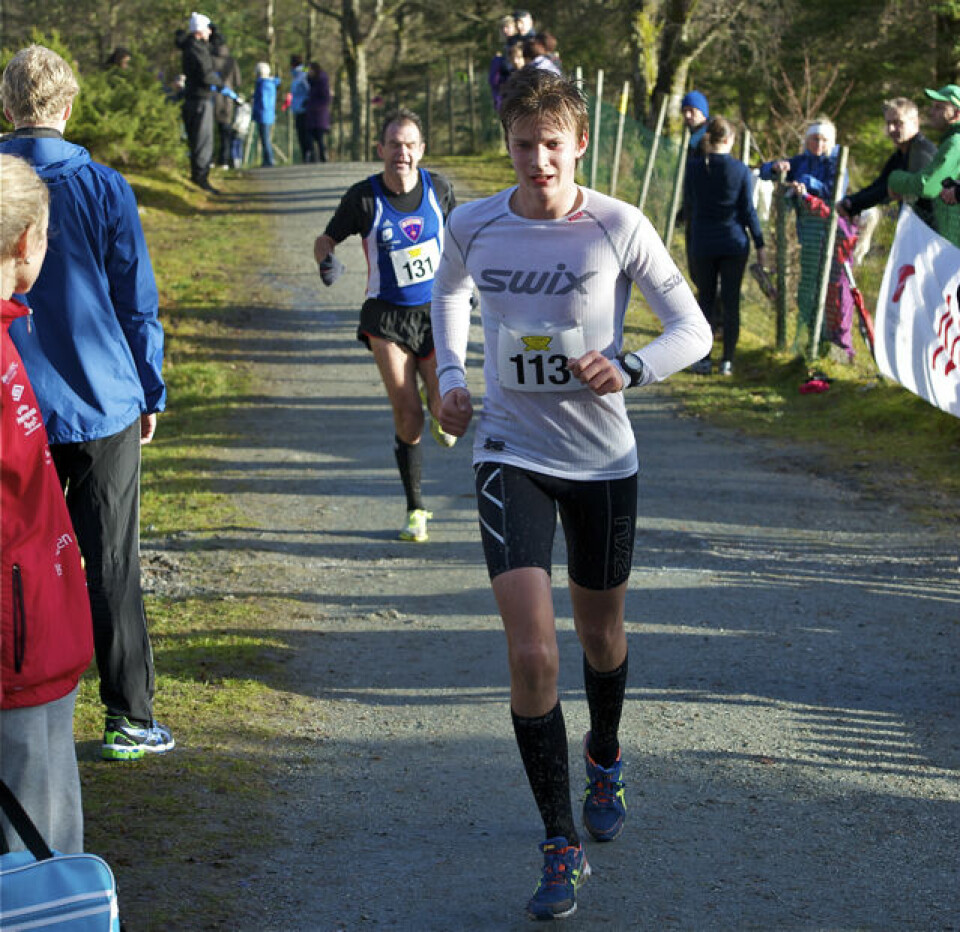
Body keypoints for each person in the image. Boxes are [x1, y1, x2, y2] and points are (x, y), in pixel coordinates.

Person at [429, 68, 711, 920]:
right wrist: (450, 377)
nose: (538, 161)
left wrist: (630, 366)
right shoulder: (473, 223)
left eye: (552, 145)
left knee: (600, 634)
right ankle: (560, 841)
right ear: (507, 144)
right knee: (533, 654)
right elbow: (448, 290)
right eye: (523, 145)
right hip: (508, 451)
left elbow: (692, 330)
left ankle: (606, 754)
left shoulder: (617, 224)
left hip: (602, 460)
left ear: (580, 143)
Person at [0, 45, 174, 762]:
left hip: (14, 395)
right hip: (102, 398)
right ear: (69, 107)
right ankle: (129, 715)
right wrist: (150, 386)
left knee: (14, 559)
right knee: (109, 562)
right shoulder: (105, 186)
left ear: (7, 106)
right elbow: (136, 299)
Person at [1, 153, 93, 854]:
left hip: (40, 637)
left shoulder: (8, 333)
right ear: (27, 240)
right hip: (16, 652)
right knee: (35, 863)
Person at [313, 108, 458, 543]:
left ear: (422, 150)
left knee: (445, 411)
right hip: (386, 318)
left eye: (410, 144)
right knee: (408, 414)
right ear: (381, 149)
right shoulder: (364, 198)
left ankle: (438, 407)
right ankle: (416, 509)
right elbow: (326, 238)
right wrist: (326, 260)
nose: (402, 153)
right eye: (394, 144)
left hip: (435, 313)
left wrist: (470, 285)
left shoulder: (439, 189)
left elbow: (463, 238)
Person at [684, 116, 766, 376]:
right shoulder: (740, 170)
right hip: (733, 242)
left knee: (705, 301)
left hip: (703, 242)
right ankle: (727, 360)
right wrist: (760, 243)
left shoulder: (694, 168)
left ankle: (703, 358)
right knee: (731, 303)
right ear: (730, 140)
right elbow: (748, 211)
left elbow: (689, 204)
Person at [760, 119, 844, 345]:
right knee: (807, 287)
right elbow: (765, 171)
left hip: (828, 233)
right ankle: (809, 336)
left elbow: (836, 191)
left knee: (826, 287)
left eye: (824, 140)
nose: (819, 144)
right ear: (807, 140)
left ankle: (825, 340)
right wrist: (777, 167)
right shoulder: (801, 161)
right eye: (814, 139)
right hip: (805, 234)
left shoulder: (836, 163)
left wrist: (808, 184)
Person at [838, 97, 936, 228]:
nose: (891, 129)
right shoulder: (901, 154)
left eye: (897, 123)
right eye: (888, 123)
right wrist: (851, 202)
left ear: (915, 122)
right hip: (917, 227)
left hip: (932, 231)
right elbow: (880, 184)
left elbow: (887, 191)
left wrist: (853, 204)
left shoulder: (922, 152)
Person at [888, 84, 960, 247]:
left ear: (956, 113)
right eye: (932, 106)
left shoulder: (955, 143)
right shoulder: (951, 140)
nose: (931, 112)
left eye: (939, 107)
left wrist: (894, 179)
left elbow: (927, 186)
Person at [175, 11, 220, 193]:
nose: (210, 32)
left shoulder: (192, 46)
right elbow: (205, 74)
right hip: (200, 98)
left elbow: (216, 44)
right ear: (200, 31)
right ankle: (201, 177)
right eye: (208, 29)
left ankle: (199, 175)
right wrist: (219, 83)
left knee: (198, 139)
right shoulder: (196, 49)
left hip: (195, 98)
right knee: (203, 140)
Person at [211, 34, 241, 170]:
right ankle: (224, 161)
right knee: (225, 132)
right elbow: (238, 81)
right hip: (227, 99)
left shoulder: (210, 59)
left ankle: (210, 159)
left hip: (212, 98)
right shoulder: (231, 61)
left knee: (210, 132)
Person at [252, 62, 282, 167]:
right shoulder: (270, 83)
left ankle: (269, 160)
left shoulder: (262, 84)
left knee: (265, 139)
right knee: (265, 138)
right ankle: (267, 159)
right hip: (268, 114)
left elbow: (263, 101)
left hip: (263, 114)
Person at [305, 62, 331, 163]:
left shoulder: (322, 82)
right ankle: (313, 156)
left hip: (319, 114)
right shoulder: (312, 83)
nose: (308, 72)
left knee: (320, 137)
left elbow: (326, 98)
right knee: (310, 136)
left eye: (310, 70)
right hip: (312, 113)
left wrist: (316, 106)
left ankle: (323, 156)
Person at [289, 54, 312, 163]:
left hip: (303, 108)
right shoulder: (296, 75)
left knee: (304, 133)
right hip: (297, 108)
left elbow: (308, 89)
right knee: (300, 133)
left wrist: (306, 101)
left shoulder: (302, 74)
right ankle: (305, 155)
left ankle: (308, 155)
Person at [680, 90, 709, 155]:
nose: (687, 115)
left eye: (692, 110)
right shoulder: (694, 136)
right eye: (684, 111)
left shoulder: (712, 137)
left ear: (702, 112)